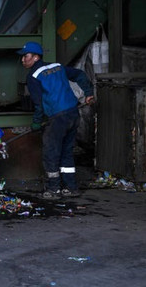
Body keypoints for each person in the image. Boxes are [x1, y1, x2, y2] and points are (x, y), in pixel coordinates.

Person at [17, 41, 94, 200]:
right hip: (73, 114)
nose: (23, 60)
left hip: (57, 118)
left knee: (51, 152)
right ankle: (71, 188)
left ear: (36, 57)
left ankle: (53, 189)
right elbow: (79, 74)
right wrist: (88, 92)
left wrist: (37, 122)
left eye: (26, 56)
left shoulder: (33, 77)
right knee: (66, 151)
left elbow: (38, 104)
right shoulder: (58, 67)